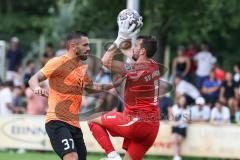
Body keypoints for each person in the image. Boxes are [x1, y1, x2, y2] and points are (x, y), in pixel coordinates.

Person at [28, 31, 125, 160]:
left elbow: (91, 87)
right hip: (57, 121)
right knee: (72, 157)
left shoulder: (81, 68)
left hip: (74, 124)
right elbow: (33, 79)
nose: (88, 48)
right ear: (74, 46)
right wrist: (36, 88)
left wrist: (113, 84)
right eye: (85, 45)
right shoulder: (58, 62)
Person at [88, 21, 160, 159]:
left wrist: (120, 37)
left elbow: (105, 61)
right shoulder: (154, 65)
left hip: (137, 122)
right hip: (152, 127)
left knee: (92, 119)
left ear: (143, 51)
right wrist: (128, 36)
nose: (133, 48)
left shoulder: (136, 69)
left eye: (136, 46)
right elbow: (129, 53)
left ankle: (112, 156)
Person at [169, 95, 190, 160]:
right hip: (175, 126)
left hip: (182, 127)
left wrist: (178, 123)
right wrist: (173, 122)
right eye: (181, 100)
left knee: (179, 141)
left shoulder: (187, 109)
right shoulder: (174, 107)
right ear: (179, 100)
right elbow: (171, 117)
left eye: (183, 100)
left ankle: (178, 156)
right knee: (174, 140)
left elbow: (186, 120)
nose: (182, 101)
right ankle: (176, 156)